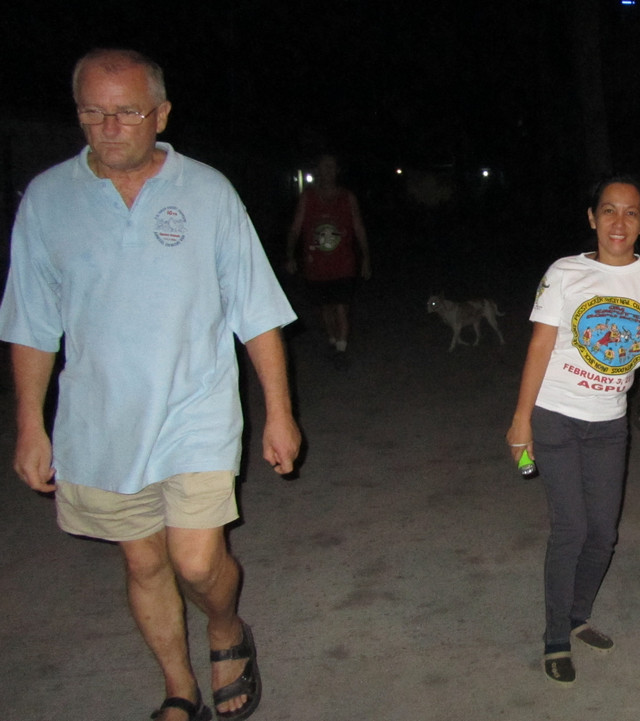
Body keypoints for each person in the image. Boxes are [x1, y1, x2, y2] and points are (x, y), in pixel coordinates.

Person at [0, 49, 301, 721]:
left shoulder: (208, 192)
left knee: (196, 561)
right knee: (143, 564)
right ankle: (179, 687)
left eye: (128, 112)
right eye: (93, 111)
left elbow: (255, 311)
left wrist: (280, 413)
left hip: (196, 408)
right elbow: (31, 323)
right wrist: (29, 424)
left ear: (161, 114)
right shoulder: (47, 200)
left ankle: (224, 626)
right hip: (101, 419)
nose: (109, 127)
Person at [506, 176, 640, 685]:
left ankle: (577, 616)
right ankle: (555, 637)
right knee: (572, 529)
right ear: (592, 217)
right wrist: (521, 419)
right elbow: (540, 345)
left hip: (610, 423)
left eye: (631, 212)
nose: (618, 222)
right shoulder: (565, 272)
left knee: (604, 533)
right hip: (555, 414)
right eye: (608, 210)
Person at [285, 153, 371, 368]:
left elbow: (359, 227)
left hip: (344, 263)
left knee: (341, 306)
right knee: (325, 308)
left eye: (332, 167)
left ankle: (341, 349)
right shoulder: (308, 197)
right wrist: (290, 254)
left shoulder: (347, 197)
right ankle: (333, 340)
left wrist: (366, 257)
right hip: (317, 264)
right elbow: (296, 227)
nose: (329, 171)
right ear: (318, 171)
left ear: (337, 171)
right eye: (324, 167)